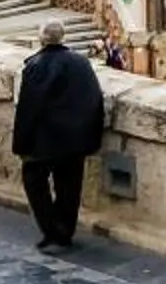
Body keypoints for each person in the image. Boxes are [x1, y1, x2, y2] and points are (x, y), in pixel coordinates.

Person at [14, 21, 108, 251]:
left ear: (42, 39)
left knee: (34, 180)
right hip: (76, 138)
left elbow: (28, 109)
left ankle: (51, 228)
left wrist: (21, 144)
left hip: (46, 141)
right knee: (69, 185)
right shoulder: (81, 63)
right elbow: (95, 100)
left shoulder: (36, 66)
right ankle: (65, 228)